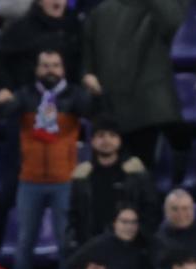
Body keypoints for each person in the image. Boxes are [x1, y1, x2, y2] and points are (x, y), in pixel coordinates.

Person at [0, 49, 95, 269]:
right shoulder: (25, 95)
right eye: (45, 65)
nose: (51, 70)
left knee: (65, 242)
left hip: (64, 180)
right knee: (24, 241)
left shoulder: (75, 95)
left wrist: (96, 94)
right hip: (30, 180)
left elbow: (97, 112)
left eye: (55, 65)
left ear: (63, 69)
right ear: (37, 70)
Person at [80, 0, 185, 167]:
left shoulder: (160, 8)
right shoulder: (100, 11)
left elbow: (173, 23)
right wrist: (88, 75)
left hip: (147, 111)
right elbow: (88, 57)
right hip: (110, 106)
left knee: (140, 174)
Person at [67, 117, 159, 251]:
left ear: (120, 141)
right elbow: (73, 216)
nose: (106, 140)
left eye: (112, 135)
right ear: (92, 141)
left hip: (130, 247)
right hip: (91, 247)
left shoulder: (136, 173)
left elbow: (150, 210)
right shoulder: (82, 176)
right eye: (101, 136)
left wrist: (139, 239)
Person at [0, 0, 83, 93]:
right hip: (26, 100)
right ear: (40, 2)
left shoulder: (75, 27)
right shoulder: (22, 27)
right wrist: (5, 88)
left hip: (68, 101)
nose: (57, 1)